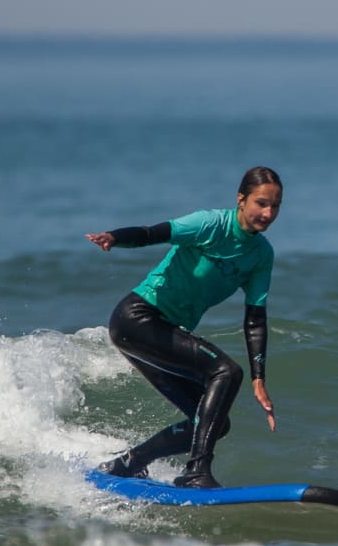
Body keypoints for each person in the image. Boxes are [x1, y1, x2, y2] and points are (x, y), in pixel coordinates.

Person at [85, 166, 282, 488]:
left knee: (213, 423)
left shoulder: (261, 254)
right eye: (261, 203)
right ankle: (197, 471)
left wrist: (259, 378)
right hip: (137, 319)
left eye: (275, 206)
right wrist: (115, 238)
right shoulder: (210, 223)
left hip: (162, 332)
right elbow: (152, 234)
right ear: (241, 199)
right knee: (226, 372)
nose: (268, 212)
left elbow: (255, 317)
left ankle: (129, 463)